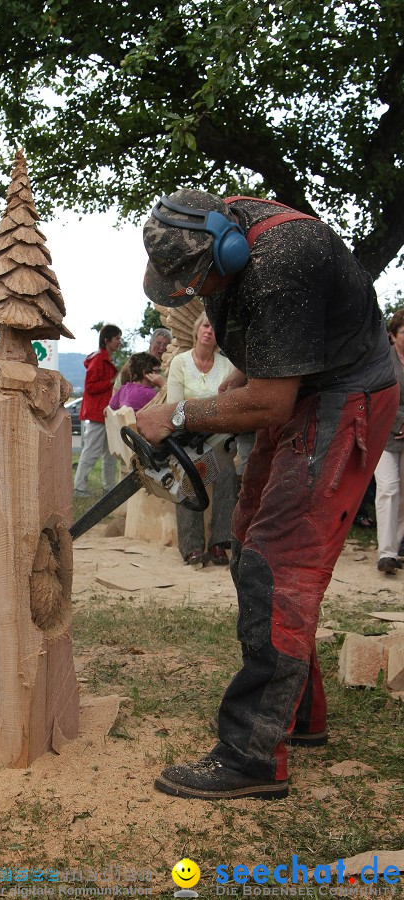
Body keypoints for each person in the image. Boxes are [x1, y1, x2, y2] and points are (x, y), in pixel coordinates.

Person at [136, 189, 398, 801]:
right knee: (250, 535)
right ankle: (298, 710)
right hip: (306, 388)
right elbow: (264, 370)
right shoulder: (221, 226)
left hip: (347, 396)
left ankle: (252, 754)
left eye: (200, 285)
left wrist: (178, 417)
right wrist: (233, 386)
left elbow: (273, 402)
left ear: (224, 250)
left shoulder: (283, 261)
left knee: (278, 562)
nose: (198, 298)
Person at [167, 311, 237, 566]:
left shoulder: (227, 365)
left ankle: (219, 542)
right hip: (186, 435)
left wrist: (197, 406)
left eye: (214, 327)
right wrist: (209, 407)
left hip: (219, 435)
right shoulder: (180, 363)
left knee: (227, 471)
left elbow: (229, 406)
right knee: (188, 472)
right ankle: (192, 546)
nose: (209, 330)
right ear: (197, 330)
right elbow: (175, 405)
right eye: (206, 325)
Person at [73, 324, 122, 497]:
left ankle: (109, 489)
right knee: (91, 452)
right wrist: (110, 382)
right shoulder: (98, 360)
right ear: (107, 340)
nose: (119, 342)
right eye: (117, 338)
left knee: (110, 454)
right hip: (97, 415)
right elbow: (90, 387)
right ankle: (79, 488)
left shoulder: (105, 359)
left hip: (106, 414)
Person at [374, 310, 404, 574]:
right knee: (388, 489)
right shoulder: (383, 360)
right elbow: (377, 396)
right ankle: (386, 553)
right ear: (393, 335)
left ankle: (395, 548)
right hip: (384, 435)